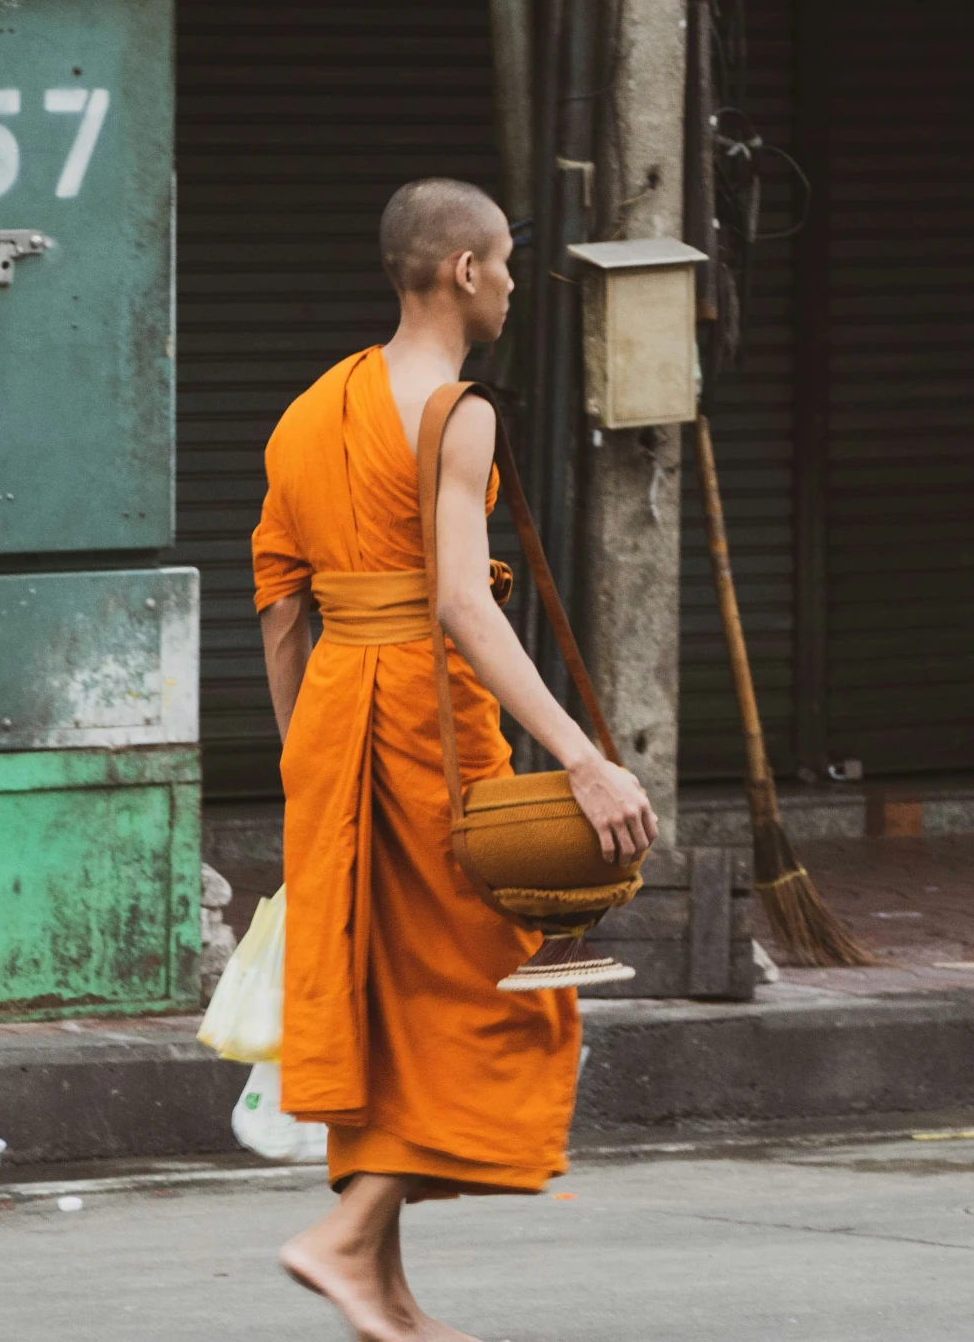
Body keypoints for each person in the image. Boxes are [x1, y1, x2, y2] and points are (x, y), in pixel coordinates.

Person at [251, 177, 658, 1341]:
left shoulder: (307, 409)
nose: (518, 288)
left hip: (333, 725)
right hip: (426, 726)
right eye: (509, 267)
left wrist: (305, 765)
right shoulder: (456, 411)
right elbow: (463, 610)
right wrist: (582, 758)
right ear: (464, 271)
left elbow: (280, 608)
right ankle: (339, 1236)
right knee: (491, 990)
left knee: (386, 994)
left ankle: (378, 1286)